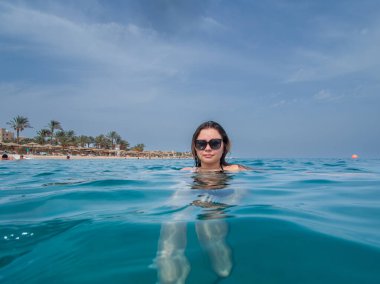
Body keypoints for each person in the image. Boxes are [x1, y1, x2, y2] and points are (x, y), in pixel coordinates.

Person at [182, 121, 250, 172]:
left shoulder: (237, 170)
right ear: (195, 147)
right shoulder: (187, 172)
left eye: (215, 143)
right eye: (201, 144)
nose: (208, 148)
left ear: (224, 146)